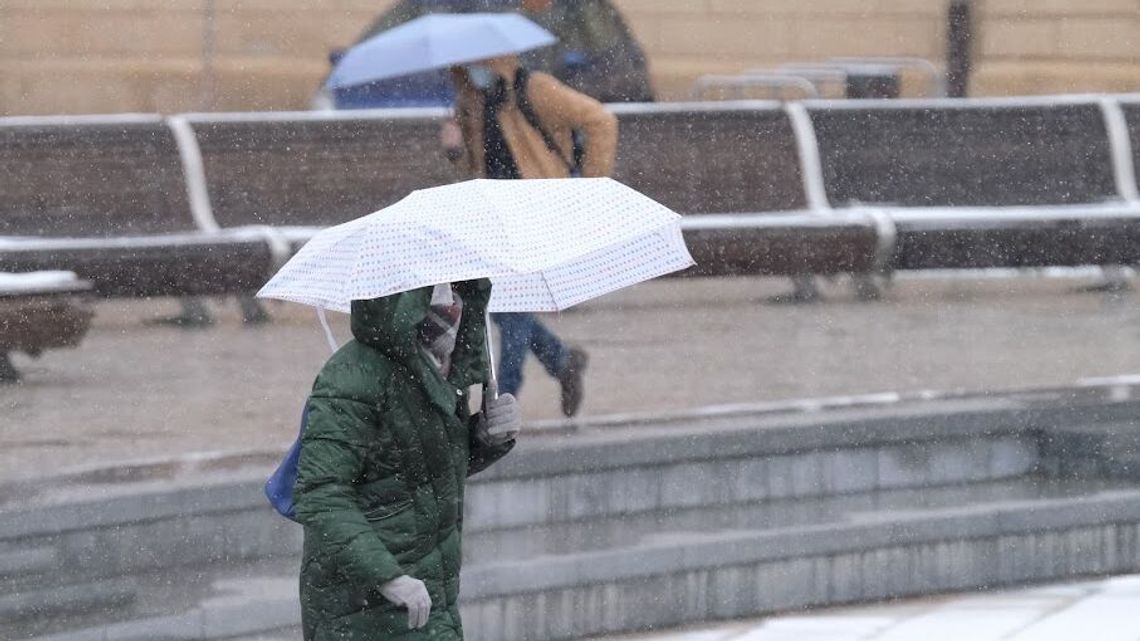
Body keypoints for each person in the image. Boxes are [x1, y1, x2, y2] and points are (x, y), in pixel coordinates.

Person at [293, 279, 520, 639]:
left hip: (430, 600)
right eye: (434, 288)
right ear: (406, 296)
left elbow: (420, 470)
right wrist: (388, 576)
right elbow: (320, 494)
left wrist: (485, 436)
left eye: (455, 285)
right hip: (362, 612)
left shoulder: (445, 367)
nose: (450, 300)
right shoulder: (353, 374)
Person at [441, 53, 619, 417]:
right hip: (494, 219)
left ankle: (502, 399)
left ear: (495, 61)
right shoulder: (473, 100)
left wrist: (591, 188)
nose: (471, 71)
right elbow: (476, 166)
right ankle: (562, 361)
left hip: (537, 212)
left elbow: (601, 120)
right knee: (501, 309)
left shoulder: (535, 88)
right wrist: (454, 145)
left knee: (511, 306)